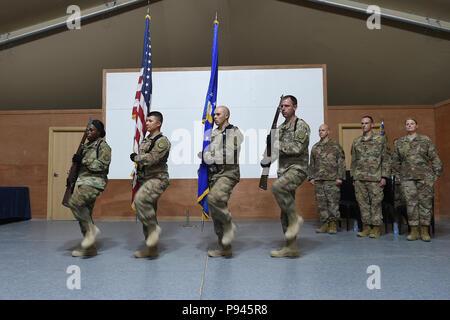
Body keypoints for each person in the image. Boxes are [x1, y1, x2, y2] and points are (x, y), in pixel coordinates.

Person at [264, 95, 310, 258]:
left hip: (298, 169)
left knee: (277, 187)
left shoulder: (301, 125)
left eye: (287, 106)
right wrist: (269, 150)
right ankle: (291, 247)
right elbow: (277, 153)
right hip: (283, 171)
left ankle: (296, 218)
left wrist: (277, 144)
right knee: (284, 213)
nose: (283, 109)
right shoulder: (281, 128)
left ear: (295, 107)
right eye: (282, 106)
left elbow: (297, 148)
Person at [201, 106, 243, 258]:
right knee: (217, 210)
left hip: (228, 173)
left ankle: (230, 226)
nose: (215, 117)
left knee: (214, 198)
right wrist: (207, 156)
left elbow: (228, 155)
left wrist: (209, 156)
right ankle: (224, 246)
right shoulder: (213, 133)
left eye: (218, 114)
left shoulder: (235, 132)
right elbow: (206, 152)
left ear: (227, 116)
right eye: (214, 114)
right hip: (214, 175)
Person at [392, 118, 443, 242]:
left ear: (417, 126)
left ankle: (425, 231)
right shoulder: (400, 142)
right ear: (405, 127)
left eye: (412, 124)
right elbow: (395, 161)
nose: (409, 126)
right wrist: (399, 176)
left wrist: (435, 175)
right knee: (411, 204)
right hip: (407, 178)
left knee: (425, 204)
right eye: (407, 124)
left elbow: (435, 158)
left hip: (425, 178)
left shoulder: (425, 140)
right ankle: (414, 230)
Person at [130, 111, 171, 258]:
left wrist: (136, 157)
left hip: (157, 179)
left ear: (158, 123)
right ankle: (151, 248)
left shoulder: (162, 141)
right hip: (144, 179)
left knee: (140, 200)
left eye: (150, 121)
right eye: (146, 121)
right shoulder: (146, 140)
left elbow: (152, 159)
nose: (146, 123)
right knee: (149, 213)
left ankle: (154, 230)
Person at [69, 120, 111, 257]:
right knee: (85, 215)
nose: (88, 132)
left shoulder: (103, 146)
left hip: (95, 183)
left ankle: (91, 231)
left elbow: (102, 166)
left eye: (92, 130)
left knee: (74, 202)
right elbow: (80, 167)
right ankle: (90, 248)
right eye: (88, 130)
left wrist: (83, 160)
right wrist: (71, 175)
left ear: (99, 132)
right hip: (83, 182)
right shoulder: (86, 147)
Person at [350, 115, 391, 238]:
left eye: (366, 123)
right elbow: (354, 161)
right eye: (362, 123)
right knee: (363, 204)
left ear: (372, 125)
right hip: (360, 178)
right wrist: (354, 177)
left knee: (376, 204)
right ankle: (367, 227)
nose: (364, 125)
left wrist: (384, 176)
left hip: (375, 178)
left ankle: (376, 228)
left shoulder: (380, 140)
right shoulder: (357, 141)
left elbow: (386, 159)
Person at [308, 124, 346, 234]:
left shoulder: (336, 146)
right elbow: (312, 164)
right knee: (321, 203)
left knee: (333, 203)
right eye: (319, 130)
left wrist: (340, 177)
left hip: (332, 180)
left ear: (328, 132)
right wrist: (311, 177)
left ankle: (333, 224)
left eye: (323, 130)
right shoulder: (315, 147)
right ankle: (325, 223)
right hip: (319, 180)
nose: (321, 132)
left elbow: (341, 162)